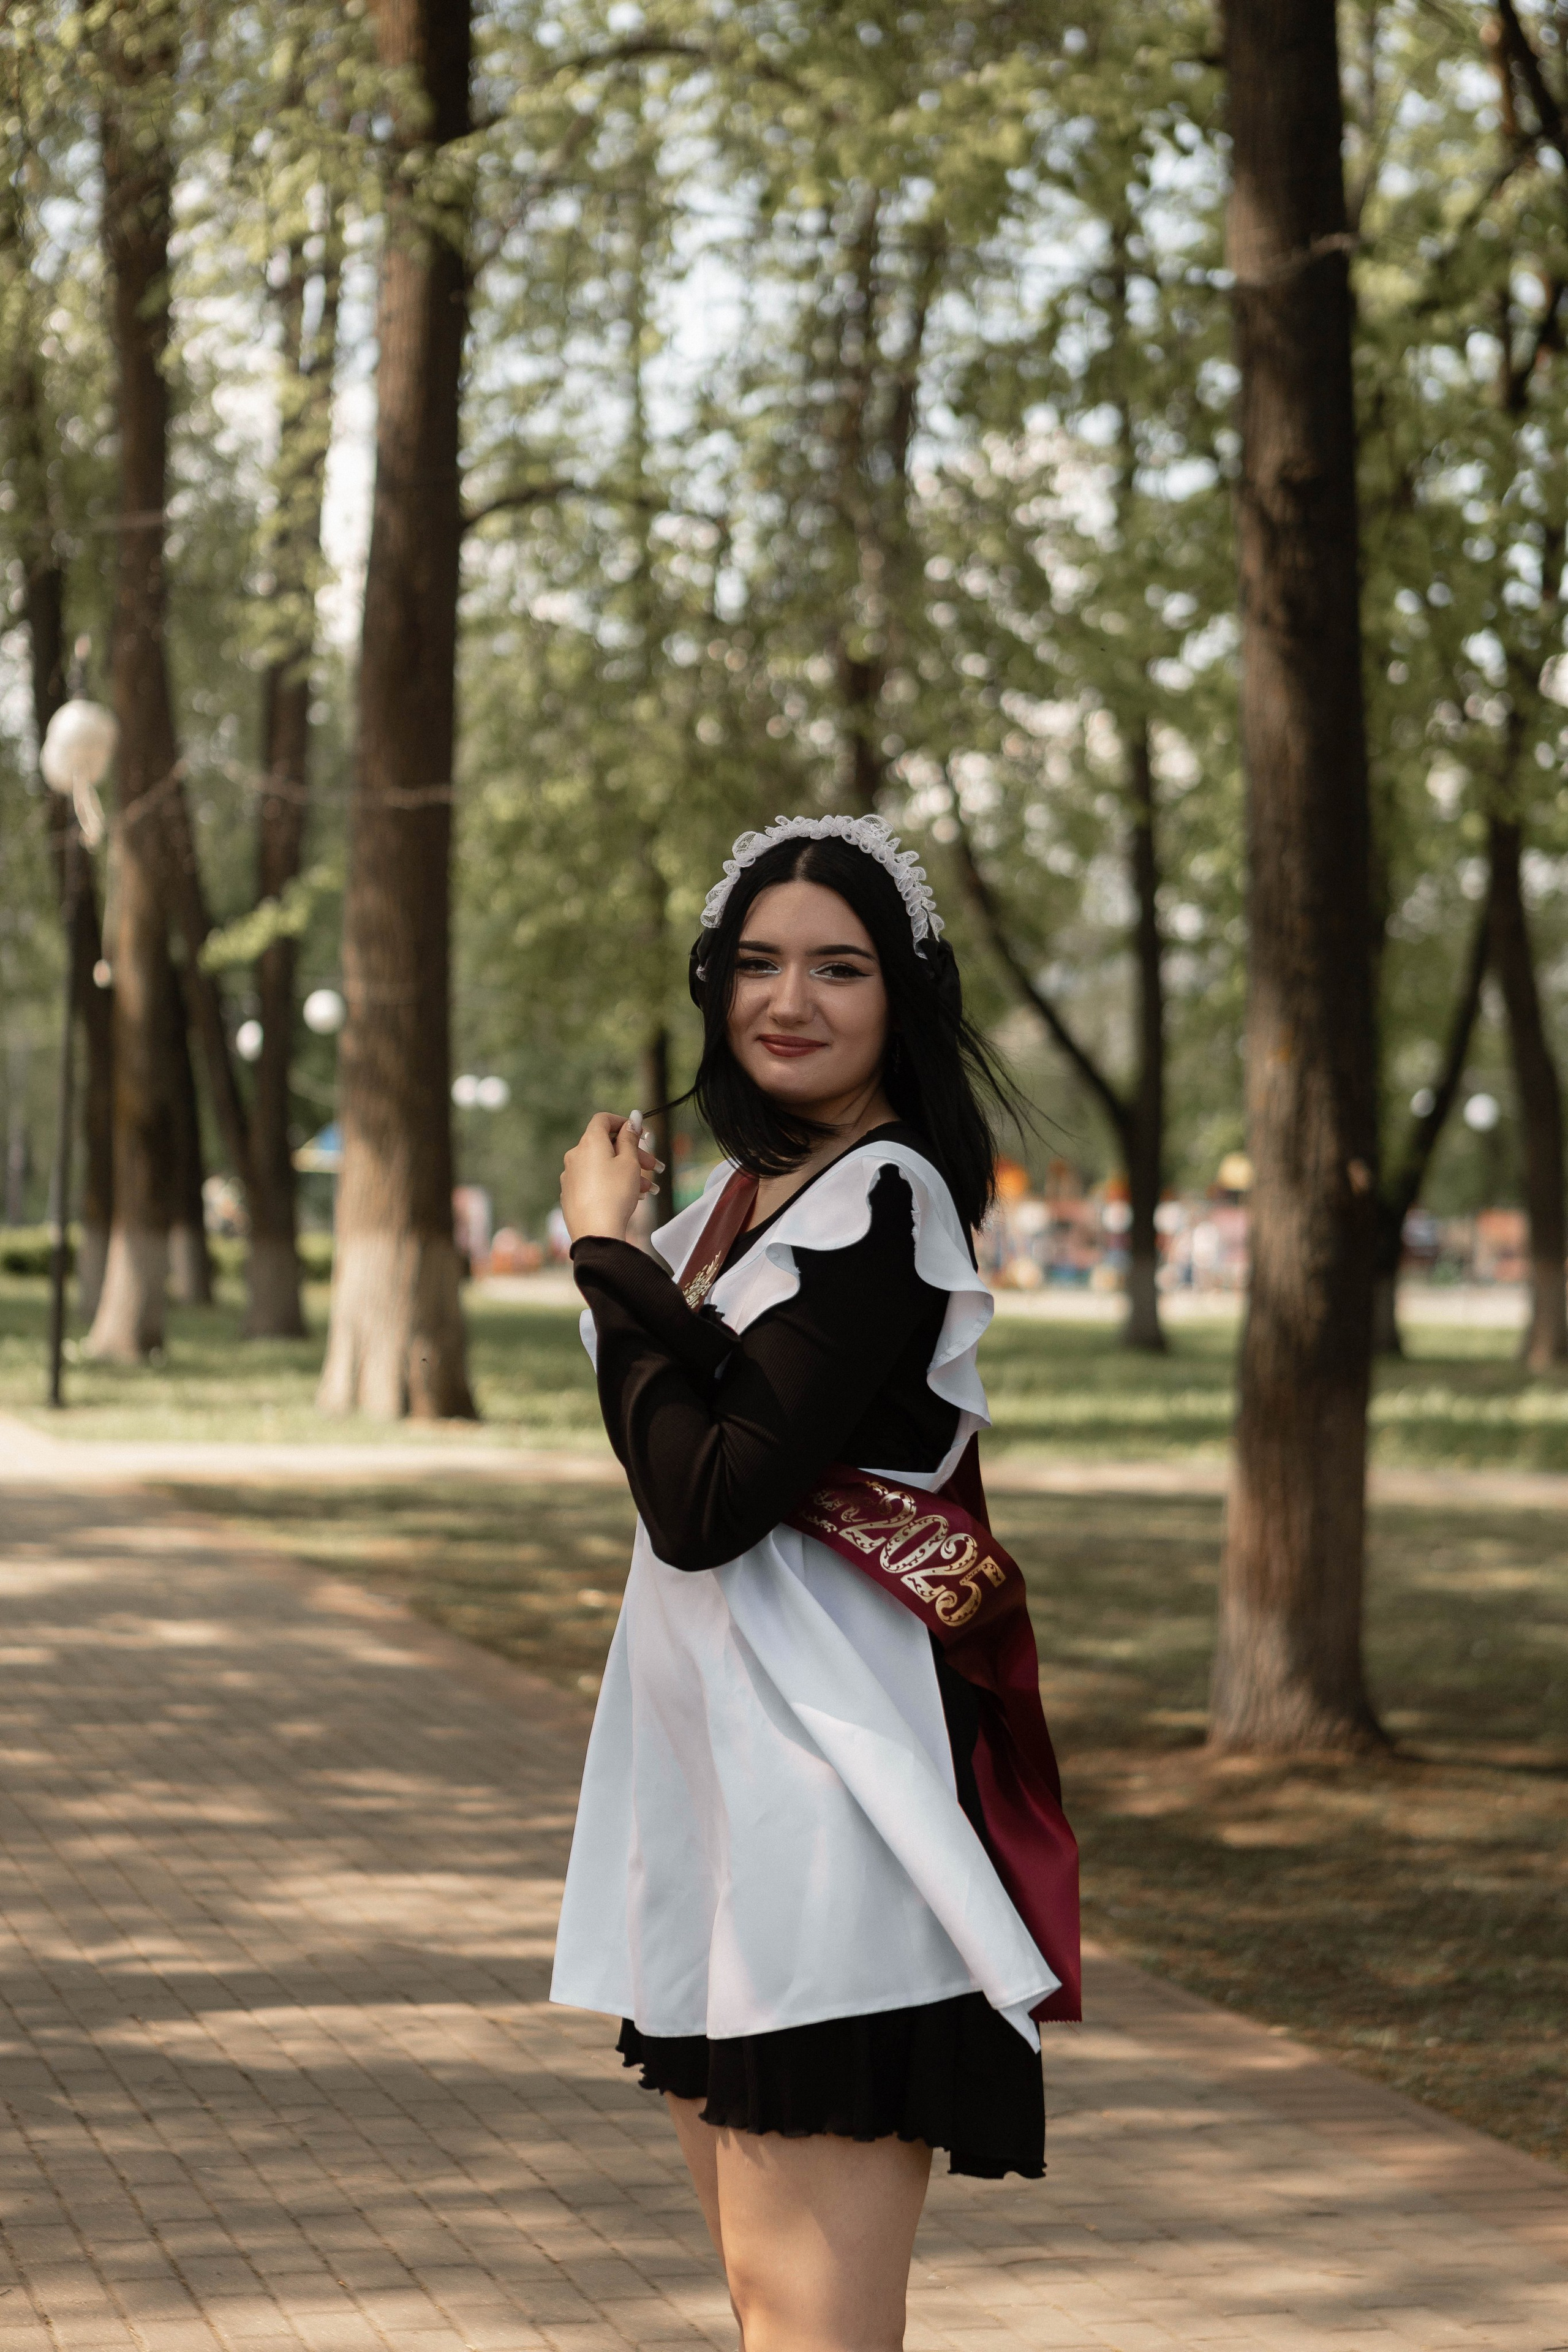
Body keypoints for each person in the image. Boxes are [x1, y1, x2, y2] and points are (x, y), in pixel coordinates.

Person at [552, 814, 1078, 2352]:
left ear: (899, 997)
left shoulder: (885, 1203)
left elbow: (706, 1501)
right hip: (717, 1816)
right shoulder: (726, 1205)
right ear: (714, 985)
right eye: (759, 963)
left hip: (828, 1825)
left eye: (839, 968)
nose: (791, 1000)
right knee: (764, 2308)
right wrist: (637, 1258)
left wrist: (601, 1258)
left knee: (814, 2332)